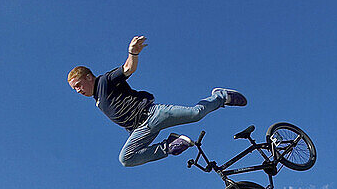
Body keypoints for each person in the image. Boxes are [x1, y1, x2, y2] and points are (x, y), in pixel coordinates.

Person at [67, 35, 247, 167]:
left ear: (89, 77)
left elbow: (128, 69)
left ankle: (221, 96)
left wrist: (133, 53)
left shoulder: (104, 81)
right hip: (139, 130)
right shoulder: (97, 100)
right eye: (75, 89)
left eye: (78, 85)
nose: (78, 91)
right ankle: (170, 145)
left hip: (153, 114)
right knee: (126, 159)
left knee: (196, 113)